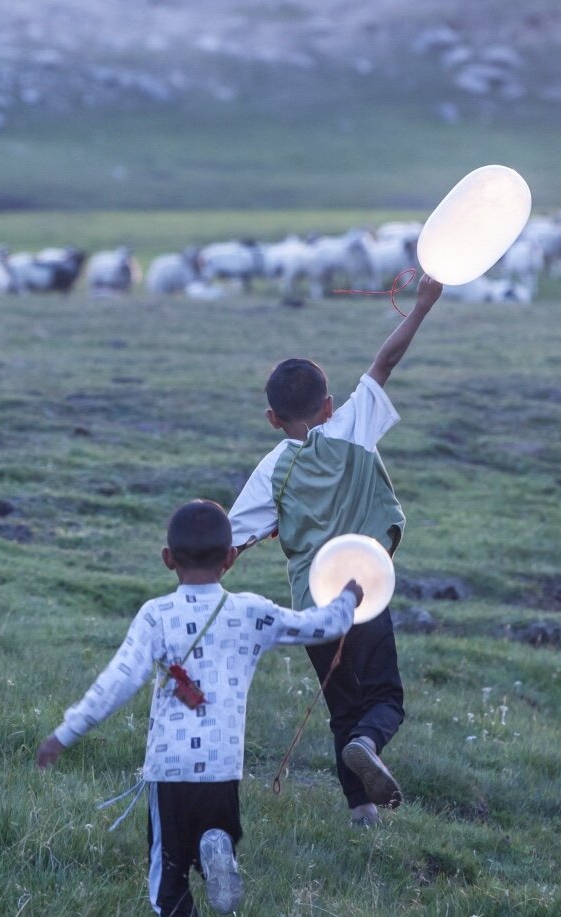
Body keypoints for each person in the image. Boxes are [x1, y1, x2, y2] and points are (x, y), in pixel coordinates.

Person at [35, 499, 362, 917]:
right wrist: (347, 600)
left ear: (168, 559)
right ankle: (217, 846)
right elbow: (319, 626)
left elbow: (118, 681)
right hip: (222, 763)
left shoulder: (157, 615)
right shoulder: (251, 611)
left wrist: (65, 733)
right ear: (230, 558)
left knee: (167, 879)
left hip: (169, 767)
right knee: (213, 834)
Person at [227, 274, 443, 827]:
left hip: (311, 606)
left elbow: (227, 544)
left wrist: (187, 560)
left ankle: (361, 812)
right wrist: (421, 307)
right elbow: (386, 362)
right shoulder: (350, 428)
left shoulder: (270, 469)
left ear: (273, 420)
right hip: (363, 592)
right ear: (327, 405)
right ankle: (369, 744)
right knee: (384, 697)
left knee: (340, 706)